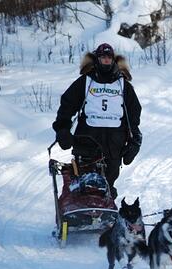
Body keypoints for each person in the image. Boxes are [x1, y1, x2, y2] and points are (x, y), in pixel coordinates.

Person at [52, 43, 142, 199]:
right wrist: (63, 129)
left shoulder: (123, 85)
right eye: (102, 57)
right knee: (83, 185)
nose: (106, 61)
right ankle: (78, 218)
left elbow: (133, 115)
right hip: (86, 141)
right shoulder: (85, 82)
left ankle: (104, 218)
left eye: (109, 58)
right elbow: (67, 105)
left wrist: (135, 141)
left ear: (113, 60)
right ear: (97, 59)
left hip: (114, 145)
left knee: (107, 186)